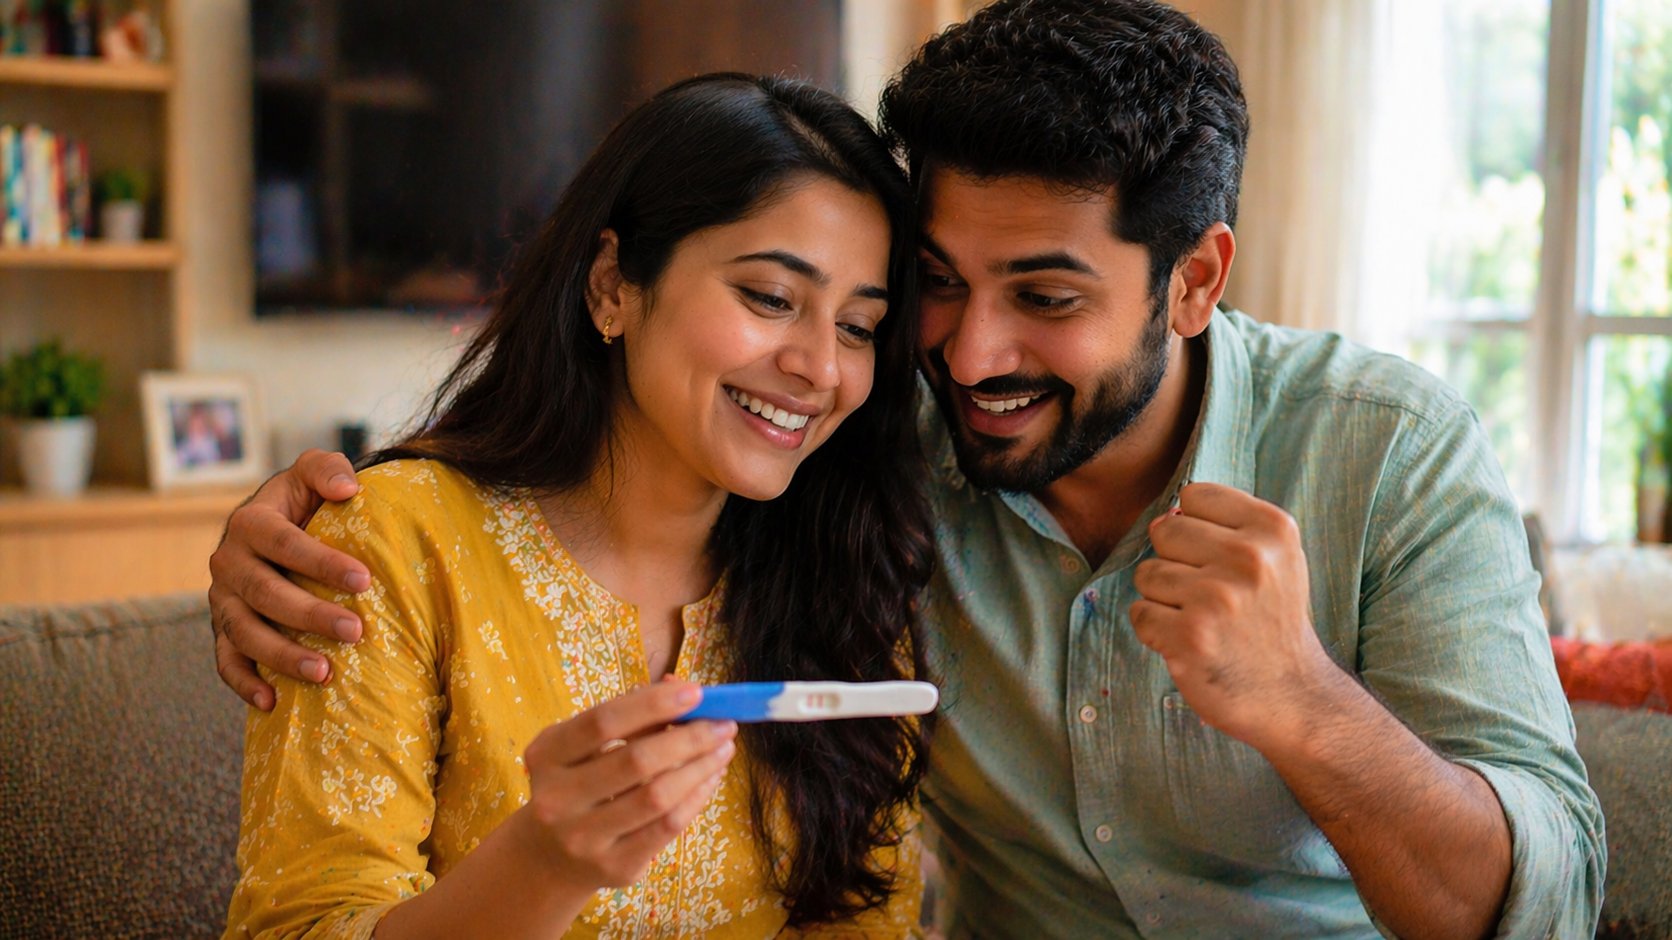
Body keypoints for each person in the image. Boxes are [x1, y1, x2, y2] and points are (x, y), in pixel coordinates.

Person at [209, 2, 1606, 937]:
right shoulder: (864, 475)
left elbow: (1551, 895)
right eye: (934, 287)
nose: (964, 351)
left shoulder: (1383, 449)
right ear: (614, 282)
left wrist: (1305, 706)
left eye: (1045, 296)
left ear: (1194, 282)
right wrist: (269, 539)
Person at [218, 73, 935, 939]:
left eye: (858, 327)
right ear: (611, 286)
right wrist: (543, 868)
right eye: (772, 299)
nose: (821, 369)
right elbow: (300, 926)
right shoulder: (387, 544)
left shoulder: (850, 585)